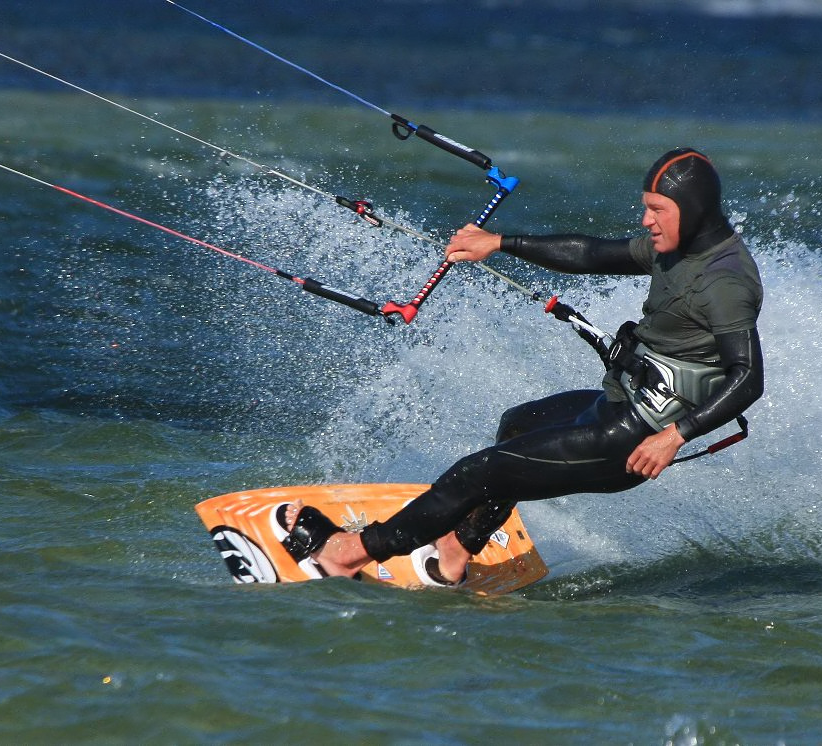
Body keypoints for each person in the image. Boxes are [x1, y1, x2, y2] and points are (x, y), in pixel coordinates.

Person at [281, 148, 764, 586]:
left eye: (658, 210)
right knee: (518, 424)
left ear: (694, 210)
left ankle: (351, 552)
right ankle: (455, 547)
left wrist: (674, 436)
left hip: (638, 437)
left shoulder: (724, 282)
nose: (646, 220)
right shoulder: (678, 249)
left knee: (478, 473)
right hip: (620, 404)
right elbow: (594, 253)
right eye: (647, 206)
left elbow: (748, 377)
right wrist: (499, 243)